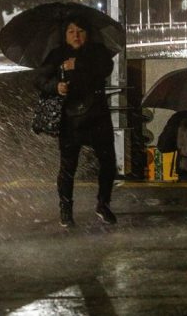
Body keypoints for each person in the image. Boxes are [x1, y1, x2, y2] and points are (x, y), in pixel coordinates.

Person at [34, 19, 117, 227]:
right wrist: (56, 86)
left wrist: (78, 64)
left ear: (88, 33)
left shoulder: (98, 51)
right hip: (70, 119)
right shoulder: (57, 54)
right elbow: (39, 80)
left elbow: (106, 68)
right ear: (65, 35)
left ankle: (103, 204)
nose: (76, 35)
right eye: (71, 31)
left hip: (97, 116)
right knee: (68, 166)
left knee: (107, 162)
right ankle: (65, 208)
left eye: (80, 31)